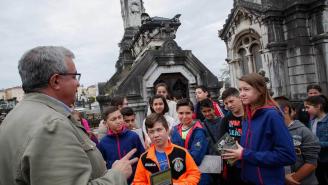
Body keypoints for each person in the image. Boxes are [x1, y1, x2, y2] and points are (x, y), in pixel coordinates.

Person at [0, 46, 137, 185]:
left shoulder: (12, 117)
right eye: (74, 76)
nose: (77, 83)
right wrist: (117, 175)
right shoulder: (52, 125)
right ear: (56, 81)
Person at [222, 73, 296, 185]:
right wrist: (236, 156)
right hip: (247, 179)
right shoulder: (247, 116)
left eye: (246, 89)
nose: (241, 94)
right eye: (240, 89)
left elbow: (287, 156)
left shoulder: (272, 116)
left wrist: (244, 154)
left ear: (260, 90)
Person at [132, 113, 201, 185]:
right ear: (148, 134)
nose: (156, 135)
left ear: (167, 130)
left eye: (159, 130)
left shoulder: (181, 152)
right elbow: (139, 182)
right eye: (151, 132)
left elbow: (194, 173)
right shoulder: (144, 158)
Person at [275, 96, 320, 185]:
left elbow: (311, 163)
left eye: (273, 110)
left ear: (285, 110)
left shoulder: (304, 132)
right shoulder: (270, 131)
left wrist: (291, 179)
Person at [97, 106, 145, 184]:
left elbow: (142, 157)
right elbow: (102, 165)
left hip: (135, 180)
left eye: (120, 117)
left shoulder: (133, 136)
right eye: (113, 119)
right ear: (106, 123)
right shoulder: (103, 143)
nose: (118, 121)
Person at [170, 98, 210, 185]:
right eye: (181, 113)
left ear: (193, 113)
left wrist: (176, 153)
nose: (184, 116)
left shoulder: (199, 130)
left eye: (187, 113)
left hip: (198, 175)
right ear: (177, 113)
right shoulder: (175, 129)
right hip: (179, 174)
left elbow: (196, 157)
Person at [220, 87, 246, 185]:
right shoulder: (225, 120)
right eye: (226, 103)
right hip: (233, 166)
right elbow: (222, 143)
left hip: (251, 161)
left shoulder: (251, 117)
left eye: (231, 101)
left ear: (239, 98)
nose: (229, 105)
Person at [304, 95, 328, 185]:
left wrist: (315, 144)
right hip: (316, 158)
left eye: (308, 107)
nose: (306, 110)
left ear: (318, 106)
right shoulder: (312, 121)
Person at [199, 98, 223, 185]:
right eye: (204, 111)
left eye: (209, 110)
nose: (207, 113)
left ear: (213, 108)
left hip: (224, 157)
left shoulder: (223, 121)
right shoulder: (202, 125)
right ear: (201, 112)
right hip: (211, 159)